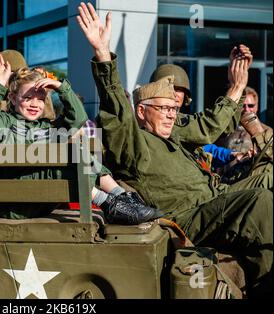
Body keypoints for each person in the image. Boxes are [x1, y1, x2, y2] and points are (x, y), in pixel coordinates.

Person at [77, 2, 272, 297]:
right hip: (185, 217)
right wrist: (103, 56)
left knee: (268, 176)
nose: (172, 113)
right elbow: (116, 112)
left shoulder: (175, 138)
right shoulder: (133, 143)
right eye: (164, 108)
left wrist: (237, 87)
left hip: (215, 198)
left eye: (174, 108)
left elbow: (208, 125)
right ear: (141, 112)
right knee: (262, 202)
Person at [0, 52, 162, 225]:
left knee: (78, 152)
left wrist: (61, 87)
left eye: (40, 99)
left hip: (44, 199)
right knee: (70, 158)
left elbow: (78, 119)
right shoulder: (4, 123)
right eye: (28, 97)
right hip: (16, 200)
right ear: (13, 98)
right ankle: (109, 203)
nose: (34, 104)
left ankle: (121, 196)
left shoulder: (47, 127)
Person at [216, 86, 273, 184]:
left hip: (249, 182)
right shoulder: (226, 129)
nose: (247, 109)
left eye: (251, 105)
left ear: (257, 106)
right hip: (225, 183)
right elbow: (214, 154)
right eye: (243, 105)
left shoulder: (266, 131)